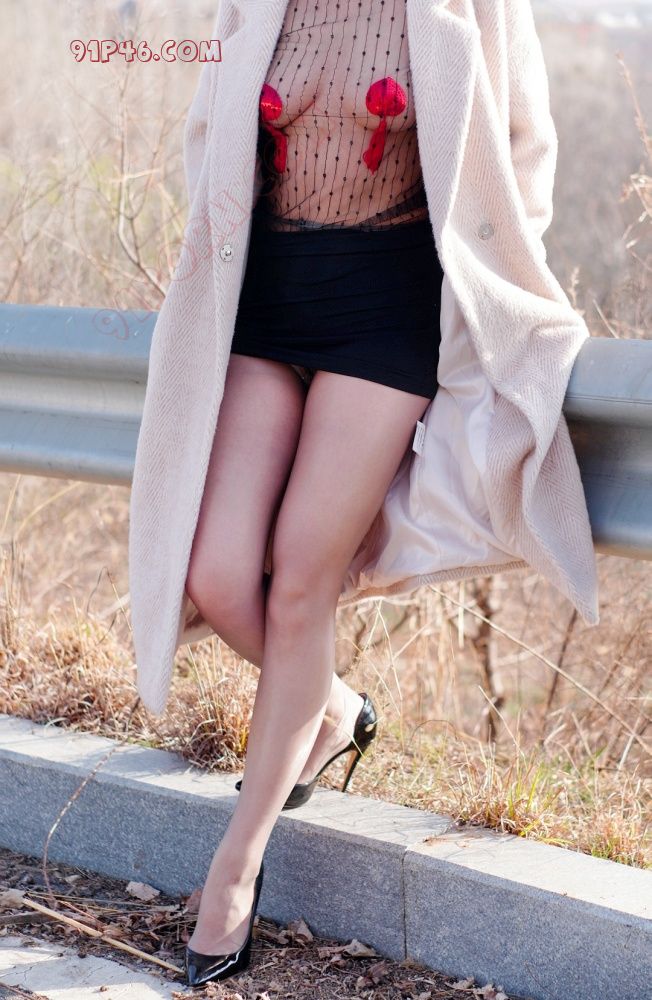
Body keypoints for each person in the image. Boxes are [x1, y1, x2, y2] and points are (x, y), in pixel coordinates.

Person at [183, 0, 443, 987]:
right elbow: (212, 142)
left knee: (300, 581)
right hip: (265, 300)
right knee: (216, 576)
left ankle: (235, 868)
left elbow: (514, 158)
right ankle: (330, 709)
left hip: (386, 314)